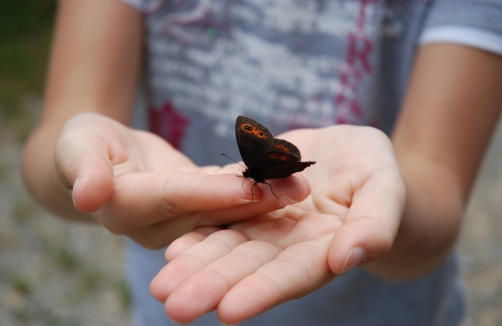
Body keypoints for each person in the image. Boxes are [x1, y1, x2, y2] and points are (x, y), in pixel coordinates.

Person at [22, 0, 502, 325]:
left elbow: (437, 180)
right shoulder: (254, 164)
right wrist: (76, 164)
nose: (243, 171)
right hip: (174, 298)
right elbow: (55, 140)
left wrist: (387, 200)